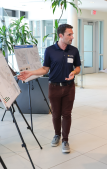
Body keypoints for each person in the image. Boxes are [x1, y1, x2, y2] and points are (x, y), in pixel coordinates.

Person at [17, 24, 81, 153]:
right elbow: (45, 69)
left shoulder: (74, 50)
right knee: (56, 114)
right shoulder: (50, 50)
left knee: (67, 114)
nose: (72, 37)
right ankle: (57, 135)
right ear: (61, 35)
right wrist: (31, 73)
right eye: (69, 34)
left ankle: (65, 140)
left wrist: (74, 72)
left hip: (69, 88)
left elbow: (78, 67)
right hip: (54, 87)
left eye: (72, 34)